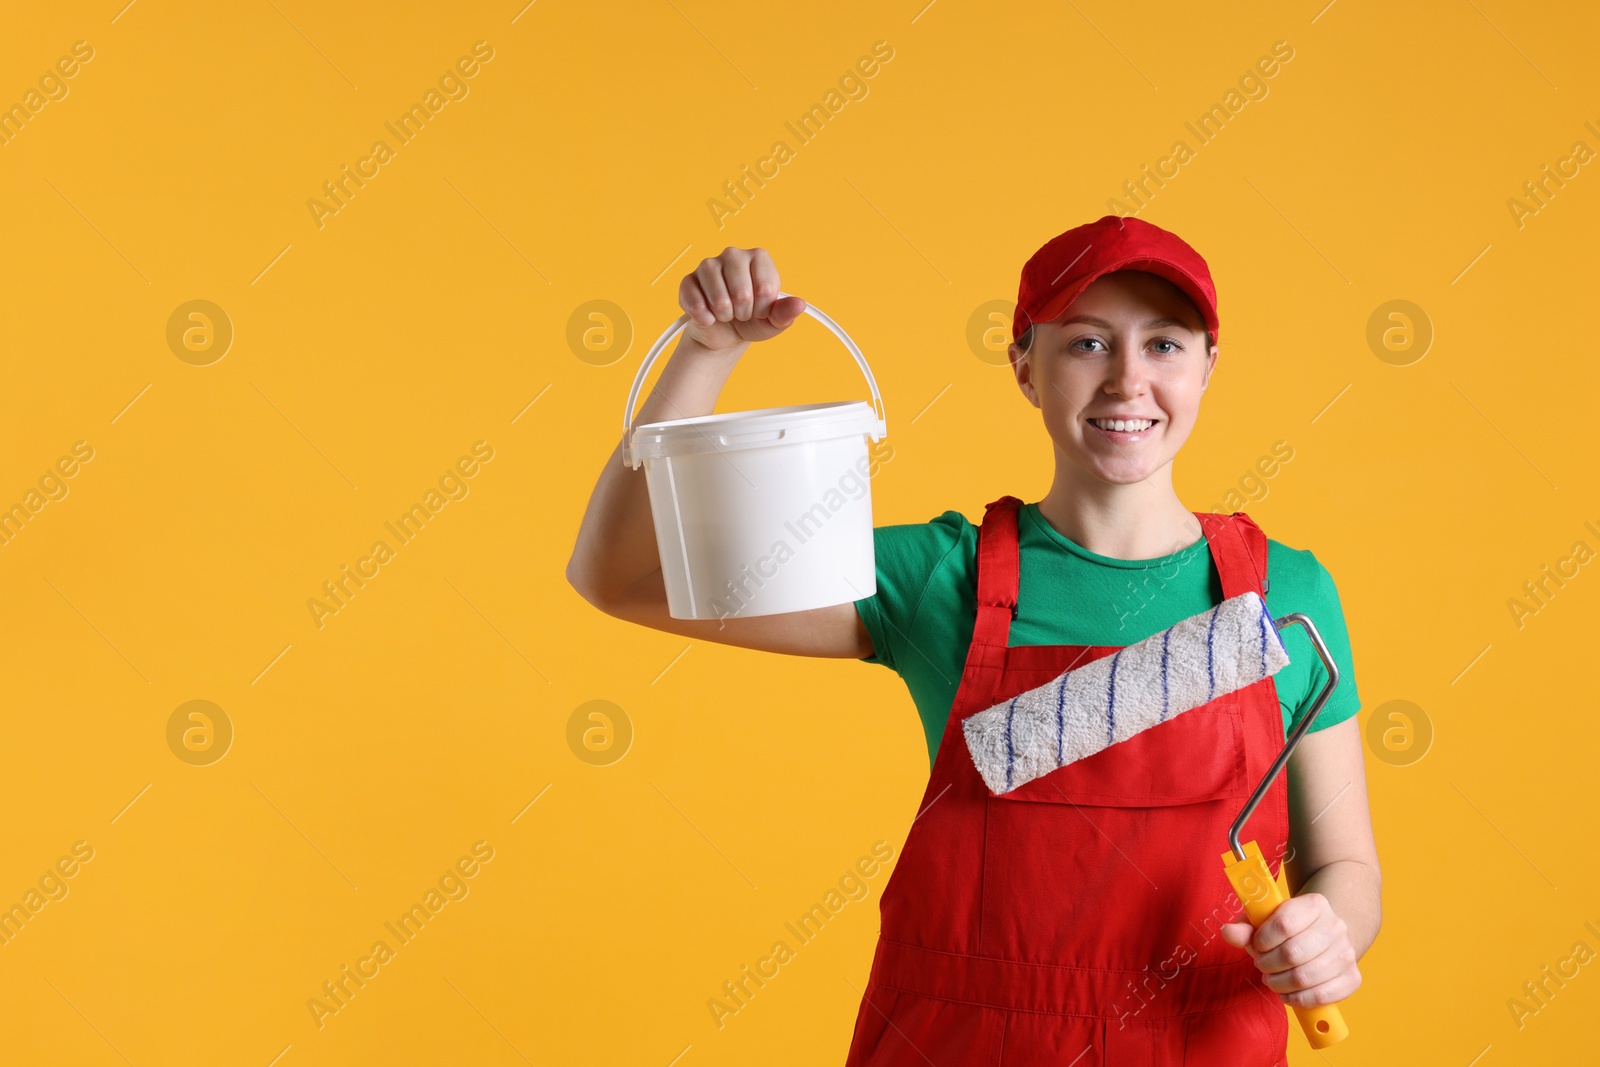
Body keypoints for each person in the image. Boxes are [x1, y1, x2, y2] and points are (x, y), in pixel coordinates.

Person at [566, 216, 1382, 1065]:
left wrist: (1331, 934)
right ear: (1025, 367)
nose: (1129, 380)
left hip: (1199, 1039)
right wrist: (705, 352)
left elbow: (1348, 866)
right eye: (1089, 344)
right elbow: (620, 576)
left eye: (1165, 344)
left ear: (1209, 367)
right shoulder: (940, 580)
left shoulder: (1282, 595)